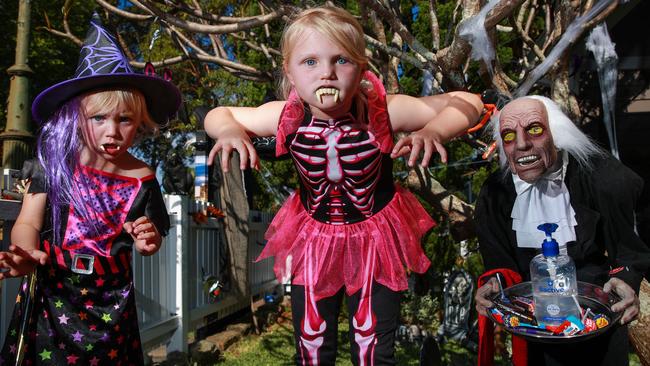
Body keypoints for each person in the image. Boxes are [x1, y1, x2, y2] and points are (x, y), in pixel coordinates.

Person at [204, 6, 483, 365]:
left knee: (373, 350)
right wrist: (228, 131)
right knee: (313, 345)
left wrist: (433, 130)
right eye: (310, 62)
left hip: (375, 239)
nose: (327, 74)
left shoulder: (383, 110)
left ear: (362, 68)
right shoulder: (285, 114)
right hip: (314, 238)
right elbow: (218, 115)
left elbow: (471, 103)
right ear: (288, 71)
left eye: (341, 60)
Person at [0, 15, 180, 364]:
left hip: (112, 305)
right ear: (76, 116)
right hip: (53, 298)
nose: (112, 131)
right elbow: (28, 223)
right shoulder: (53, 164)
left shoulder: (144, 176)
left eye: (124, 119)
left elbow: (152, 234)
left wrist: (149, 239)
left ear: (140, 121)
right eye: (99, 118)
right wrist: (25, 251)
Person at [474, 96, 650, 366]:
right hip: (534, 324)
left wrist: (626, 278)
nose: (521, 144)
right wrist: (493, 284)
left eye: (534, 129)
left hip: (598, 317)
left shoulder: (600, 177)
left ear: (556, 133)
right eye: (509, 136)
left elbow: (628, 245)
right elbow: (499, 260)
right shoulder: (495, 194)